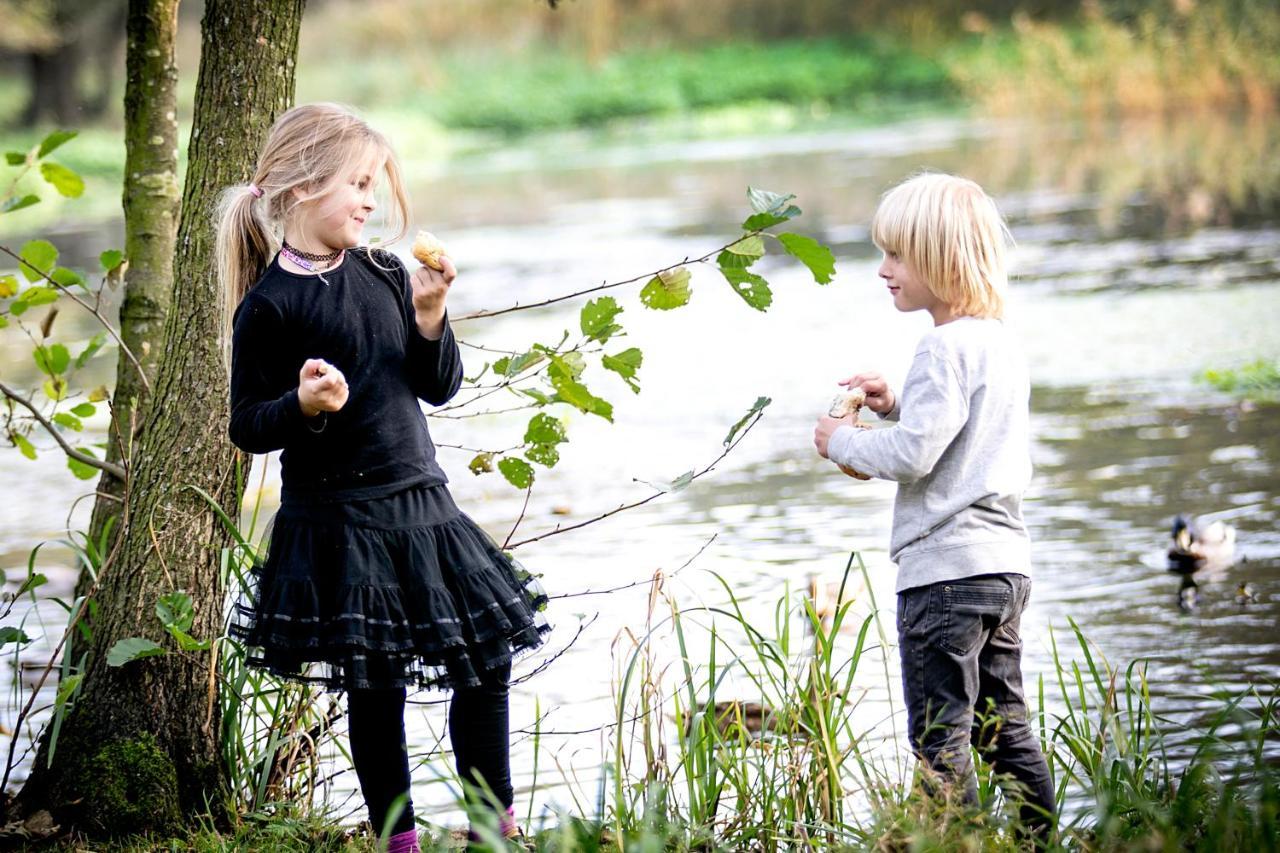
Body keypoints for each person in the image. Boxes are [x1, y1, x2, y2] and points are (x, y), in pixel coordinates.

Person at [219, 102, 549, 851]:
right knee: (376, 682)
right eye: (358, 183)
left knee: (485, 655)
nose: (371, 200)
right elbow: (247, 422)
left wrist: (432, 317)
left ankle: (491, 826)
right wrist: (302, 405)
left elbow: (438, 386)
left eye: (375, 184)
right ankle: (398, 839)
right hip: (338, 518)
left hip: (424, 506)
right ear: (302, 187)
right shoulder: (270, 304)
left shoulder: (385, 272)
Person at [812, 172, 1055, 841]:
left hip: (944, 577)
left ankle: (958, 841)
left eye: (896, 255)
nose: (883, 270)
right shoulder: (998, 341)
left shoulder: (940, 346)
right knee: (1005, 727)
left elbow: (917, 456)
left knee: (939, 736)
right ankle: (1040, 839)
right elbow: (960, 437)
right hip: (1004, 570)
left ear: (941, 260)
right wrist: (894, 407)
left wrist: (846, 441)